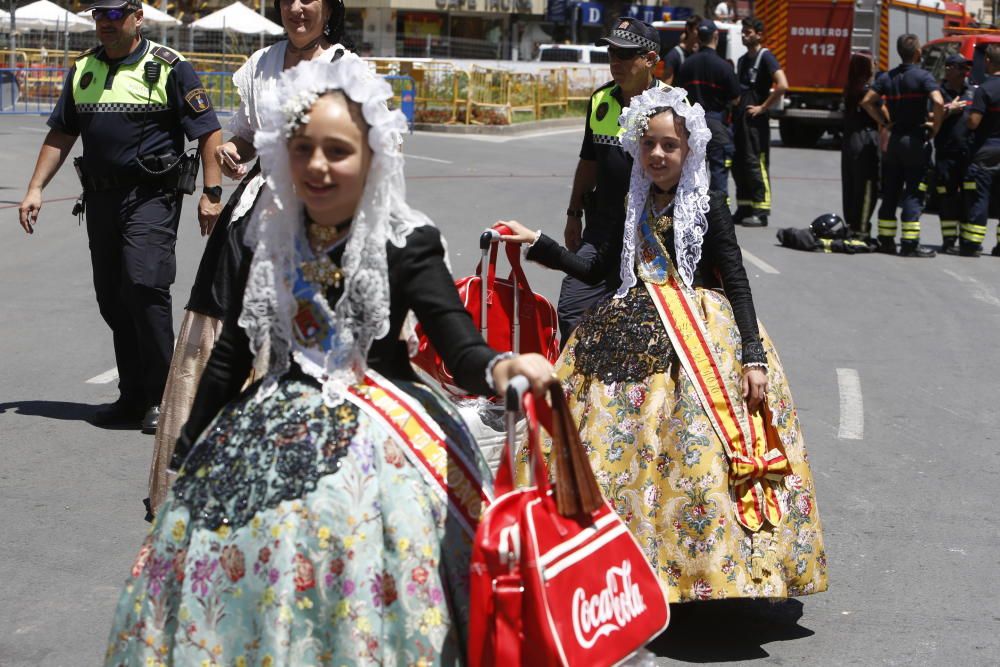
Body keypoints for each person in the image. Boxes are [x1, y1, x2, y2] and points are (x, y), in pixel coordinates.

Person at [104, 56, 555, 664]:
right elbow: (235, 350)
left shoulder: (405, 240)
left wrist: (503, 368)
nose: (318, 166)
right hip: (268, 430)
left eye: (338, 150)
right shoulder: (267, 233)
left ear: (372, 157)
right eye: (303, 148)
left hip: (385, 439)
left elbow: (458, 343)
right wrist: (193, 446)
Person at [498, 86, 827, 602]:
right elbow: (596, 267)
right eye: (649, 143)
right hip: (626, 324)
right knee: (617, 449)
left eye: (669, 146)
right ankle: (602, 561)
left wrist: (753, 356)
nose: (657, 154)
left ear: (688, 150)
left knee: (686, 452)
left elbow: (736, 281)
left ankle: (699, 573)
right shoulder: (626, 201)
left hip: (698, 335)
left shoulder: (709, 206)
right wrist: (539, 244)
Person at [145, 0, 351, 519]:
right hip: (251, 214)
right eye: (288, 0)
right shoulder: (260, 65)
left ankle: (290, 497)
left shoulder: (347, 70)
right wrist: (235, 153)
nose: (297, 9)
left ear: (330, 7)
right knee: (218, 321)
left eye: (310, 0)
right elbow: (242, 136)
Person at [17, 0, 223, 431]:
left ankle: (166, 399)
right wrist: (36, 187)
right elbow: (62, 132)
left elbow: (207, 130)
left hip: (152, 198)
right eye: (100, 15)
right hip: (101, 201)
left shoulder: (170, 67)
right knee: (113, 296)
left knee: (144, 284)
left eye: (116, 15)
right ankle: (132, 397)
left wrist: (212, 192)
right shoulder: (82, 69)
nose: (106, 23)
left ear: (137, 18)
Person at [559, 17, 667, 340]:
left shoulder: (673, 105)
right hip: (601, 231)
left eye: (624, 55)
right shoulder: (600, 101)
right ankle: (576, 386)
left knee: (648, 323)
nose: (614, 62)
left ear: (650, 60)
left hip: (653, 233)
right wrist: (573, 214)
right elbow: (588, 164)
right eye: (611, 54)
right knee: (572, 308)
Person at [861, 33, 944, 257]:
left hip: (894, 140)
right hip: (915, 140)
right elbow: (938, 101)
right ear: (917, 52)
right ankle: (909, 243)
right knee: (913, 192)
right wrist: (935, 126)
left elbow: (867, 101)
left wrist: (884, 122)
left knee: (890, 191)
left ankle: (886, 239)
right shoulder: (923, 76)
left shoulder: (888, 77)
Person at [733, 17, 787, 227]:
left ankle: (761, 210)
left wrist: (763, 108)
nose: (745, 35)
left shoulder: (766, 57)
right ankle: (744, 206)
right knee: (740, 164)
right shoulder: (742, 60)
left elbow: (782, 84)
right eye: (743, 32)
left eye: (748, 32)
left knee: (756, 164)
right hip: (741, 120)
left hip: (757, 122)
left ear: (759, 34)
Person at [676, 19, 740, 199]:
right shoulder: (724, 67)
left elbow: (678, 94)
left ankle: (691, 205)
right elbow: (736, 99)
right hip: (715, 123)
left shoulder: (687, 64)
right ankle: (718, 212)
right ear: (716, 36)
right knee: (718, 167)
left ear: (698, 36)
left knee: (692, 168)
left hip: (690, 125)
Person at [934, 54, 975, 254]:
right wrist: (949, 109)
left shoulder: (973, 93)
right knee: (948, 197)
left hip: (968, 154)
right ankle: (949, 240)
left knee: (970, 197)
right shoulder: (938, 93)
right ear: (949, 69)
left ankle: (968, 241)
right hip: (946, 153)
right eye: (959, 67)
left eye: (965, 68)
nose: (964, 71)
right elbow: (929, 117)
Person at [963, 44, 1000, 257]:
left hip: (986, 151)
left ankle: (972, 244)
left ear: (988, 61)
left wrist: (967, 116)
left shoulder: (985, 89)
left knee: (980, 197)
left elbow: (974, 122)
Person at [841, 51, 882, 239]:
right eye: (873, 62)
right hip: (865, 139)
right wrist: (885, 122)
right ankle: (862, 228)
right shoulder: (867, 90)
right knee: (866, 187)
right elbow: (881, 112)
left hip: (850, 140)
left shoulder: (850, 88)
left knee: (851, 184)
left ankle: (852, 223)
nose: (876, 64)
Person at [662, 14, 701, 86]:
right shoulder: (673, 56)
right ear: (689, 29)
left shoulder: (695, 54)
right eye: (697, 29)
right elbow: (665, 87)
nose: (700, 33)